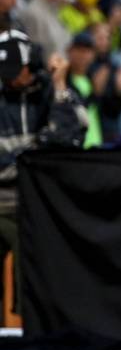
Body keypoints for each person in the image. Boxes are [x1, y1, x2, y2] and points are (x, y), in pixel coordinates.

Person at [0, 30, 86, 313]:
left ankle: (33, 339)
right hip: (2, 204)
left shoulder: (53, 89)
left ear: (32, 64)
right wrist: (39, 148)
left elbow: (71, 139)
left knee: (40, 276)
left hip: (41, 202)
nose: (10, 78)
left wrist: (61, 85)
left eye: (16, 71)